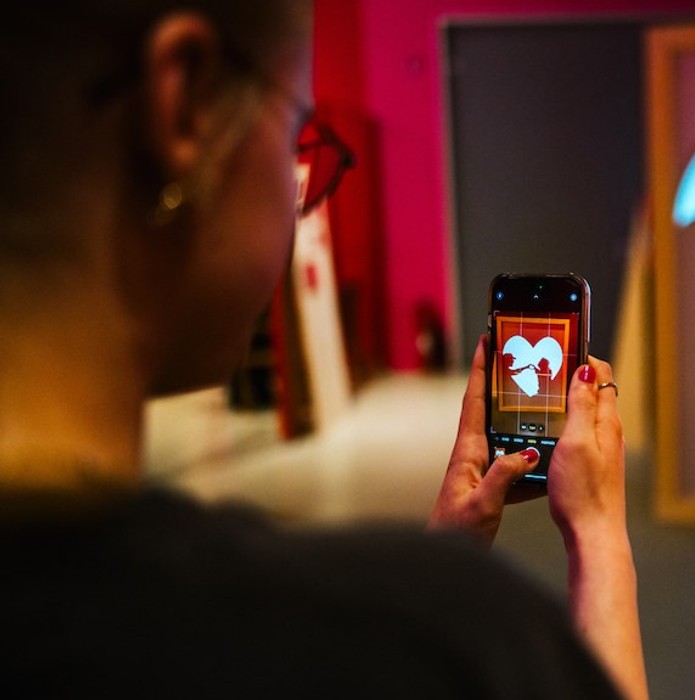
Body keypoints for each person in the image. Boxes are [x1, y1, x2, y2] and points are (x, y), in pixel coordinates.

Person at [0, 1, 647, 697]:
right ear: (186, 105)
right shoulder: (440, 646)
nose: (300, 193)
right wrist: (598, 535)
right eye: (295, 139)